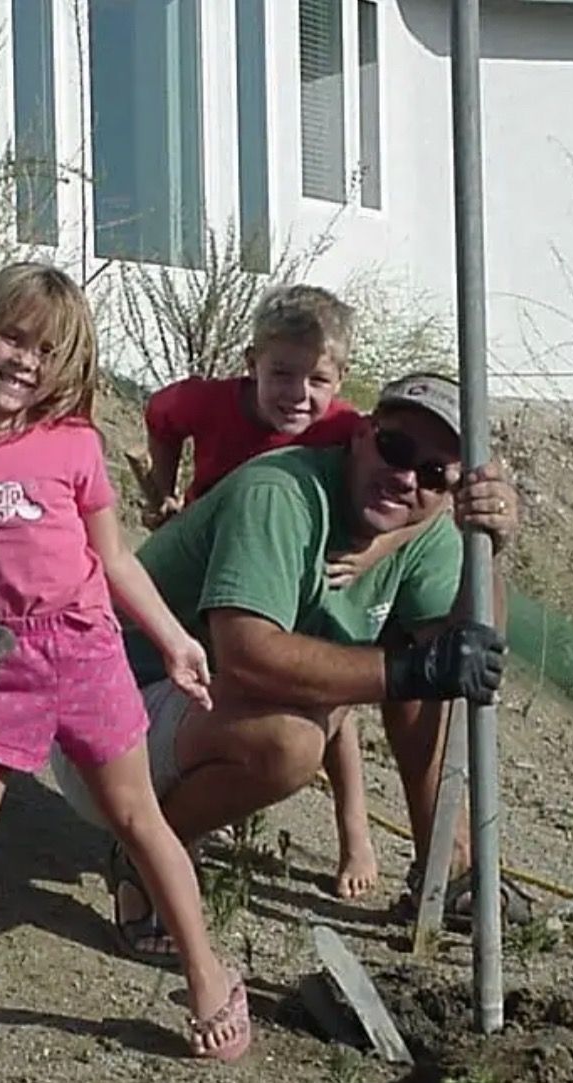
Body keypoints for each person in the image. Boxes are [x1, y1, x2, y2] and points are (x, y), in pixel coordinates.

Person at [0, 262, 251, 1083]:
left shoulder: (72, 444)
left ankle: (208, 978)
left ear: (66, 365)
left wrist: (172, 641)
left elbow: (116, 559)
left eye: (46, 349)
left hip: (86, 648)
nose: (25, 360)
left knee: (137, 819)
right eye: (13, 336)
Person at [51, 371, 526, 959]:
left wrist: (491, 553)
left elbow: (474, 660)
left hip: (194, 716)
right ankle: (149, 853)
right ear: (362, 435)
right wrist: (411, 668)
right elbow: (248, 655)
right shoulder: (279, 492)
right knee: (293, 740)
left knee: (435, 667)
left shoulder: (424, 531)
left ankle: (446, 865)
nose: (406, 478)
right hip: (103, 732)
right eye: (395, 448)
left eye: (433, 474)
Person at [136, 284, 411, 908]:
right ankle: (184, 811)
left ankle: (355, 830)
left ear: (340, 379)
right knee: (207, 681)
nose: (299, 394)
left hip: (288, 567)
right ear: (250, 361)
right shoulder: (209, 402)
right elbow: (161, 418)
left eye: (318, 379)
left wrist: (376, 551)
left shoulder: (346, 428)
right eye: (282, 373)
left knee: (327, 685)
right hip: (212, 562)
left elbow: (420, 492)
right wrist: (164, 488)